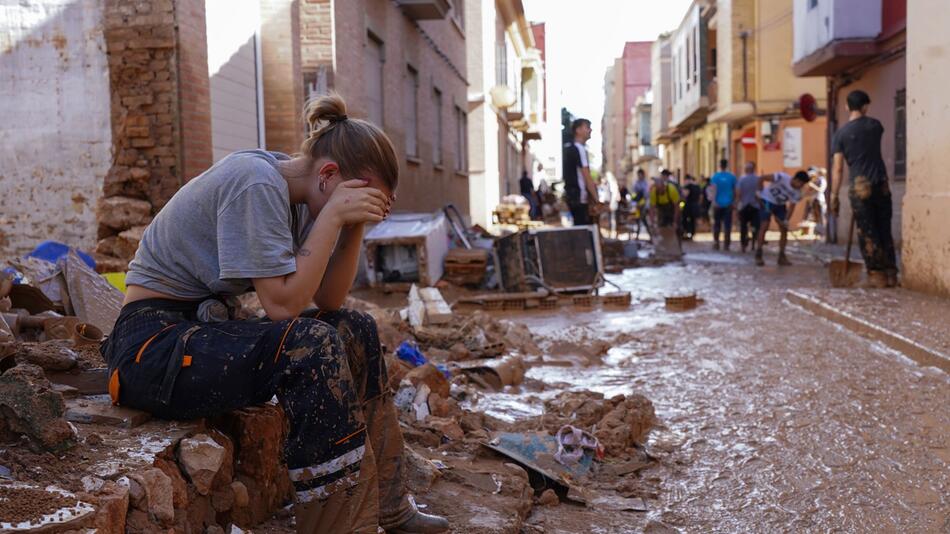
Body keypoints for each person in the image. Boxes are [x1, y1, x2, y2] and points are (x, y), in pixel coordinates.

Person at [100, 94, 449, 534]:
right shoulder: (257, 183)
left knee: (353, 327)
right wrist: (332, 219)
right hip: (150, 349)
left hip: (201, 331)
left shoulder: (301, 194)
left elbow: (329, 301)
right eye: (359, 198)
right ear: (328, 175)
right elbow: (282, 307)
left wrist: (351, 225)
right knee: (310, 344)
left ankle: (392, 508)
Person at [830, 90, 898, 288]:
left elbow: (838, 168)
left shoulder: (840, 134)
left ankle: (876, 275)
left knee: (867, 231)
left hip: (860, 186)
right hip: (882, 184)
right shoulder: (876, 126)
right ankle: (891, 273)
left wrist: (834, 196)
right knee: (884, 228)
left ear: (846, 107)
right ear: (865, 106)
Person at [754, 170, 810, 266]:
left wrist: (786, 220)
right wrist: (759, 191)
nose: (801, 186)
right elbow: (762, 178)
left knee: (784, 229)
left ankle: (782, 256)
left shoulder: (797, 193)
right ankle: (759, 253)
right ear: (796, 179)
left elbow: (792, 207)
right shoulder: (781, 177)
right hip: (767, 201)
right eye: (800, 183)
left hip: (780, 205)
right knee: (764, 225)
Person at [562, 118, 600, 225]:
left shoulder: (570, 149)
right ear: (578, 130)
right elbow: (586, 176)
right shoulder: (580, 149)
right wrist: (596, 200)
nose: (590, 130)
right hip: (579, 197)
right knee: (584, 231)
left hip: (573, 196)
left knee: (579, 229)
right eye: (587, 127)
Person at [710, 159, 738, 250]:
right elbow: (735, 191)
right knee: (727, 224)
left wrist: (714, 202)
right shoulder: (731, 177)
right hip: (728, 204)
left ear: (719, 165)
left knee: (717, 224)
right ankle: (726, 244)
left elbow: (713, 190)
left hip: (718, 204)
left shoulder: (715, 177)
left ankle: (716, 242)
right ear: (727, 165)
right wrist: (734, 202)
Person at [736, 161, 761, 253]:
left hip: (744, 206)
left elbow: (738, 193)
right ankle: (754, 244)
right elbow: (760, 192)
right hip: (755, 206)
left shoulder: (742, 179)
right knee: (755, 226)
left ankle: (743, 245)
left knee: (743, 226)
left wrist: (737, 204)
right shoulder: (758, 179)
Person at [806, 166, 828, 236]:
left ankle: (824, 233)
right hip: (815, 200)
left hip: (820, 199)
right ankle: (818, 232)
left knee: (821, 217)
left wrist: (812, 185)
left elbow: (821, 190)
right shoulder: (816, 179)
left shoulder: (822, 180)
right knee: (816, 217)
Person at [631, 168, 651, 240]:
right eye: (638, 175)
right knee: (638, 220)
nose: (640, 176)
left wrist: (642, 204)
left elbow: (646, 196)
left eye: (641, 175)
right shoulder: (636, 183)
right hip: (637, 206)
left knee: (644, 220)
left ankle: (650, 236)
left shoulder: (645, 184)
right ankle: (637, 236)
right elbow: (633, 195)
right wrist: (635, 203)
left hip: (643, 206)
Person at [681, 175, 702, 240]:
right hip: (695, 205)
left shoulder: (688, 186)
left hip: (688, 205)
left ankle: (686, 232)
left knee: (686, 219)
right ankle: (692, 233)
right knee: (693, 220)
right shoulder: (697, 186)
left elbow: (685, 195)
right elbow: (701, 197)